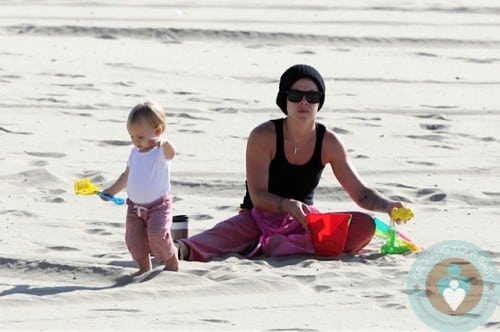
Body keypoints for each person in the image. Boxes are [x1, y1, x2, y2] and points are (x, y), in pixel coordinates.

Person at [177, 64, 408, 261]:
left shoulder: (329, 142)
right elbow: (257, 196)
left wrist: (388, 206)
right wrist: (286, 205)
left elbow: (360, 193)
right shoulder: (263, 135)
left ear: (320, 102)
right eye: (296, 96)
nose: (304, 103)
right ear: (284, 99)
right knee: (220, 237)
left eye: (312, 97)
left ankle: (282, 245)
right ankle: (182, 247)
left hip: (305, 223)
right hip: (258, 218)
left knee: (365, 225)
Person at [102, 101, 179, 274]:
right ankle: (144, 268)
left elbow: (172, 153)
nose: (135, 141)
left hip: (158, 206)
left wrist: (164, 142)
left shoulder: (160, 151)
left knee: (158, 235)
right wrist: (112, 191)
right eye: (132, 137)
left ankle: (171, 263)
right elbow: (126, 176)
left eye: (140, 137)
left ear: (157, 131)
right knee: (133, 240)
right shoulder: (134, 153)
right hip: (134, 208)